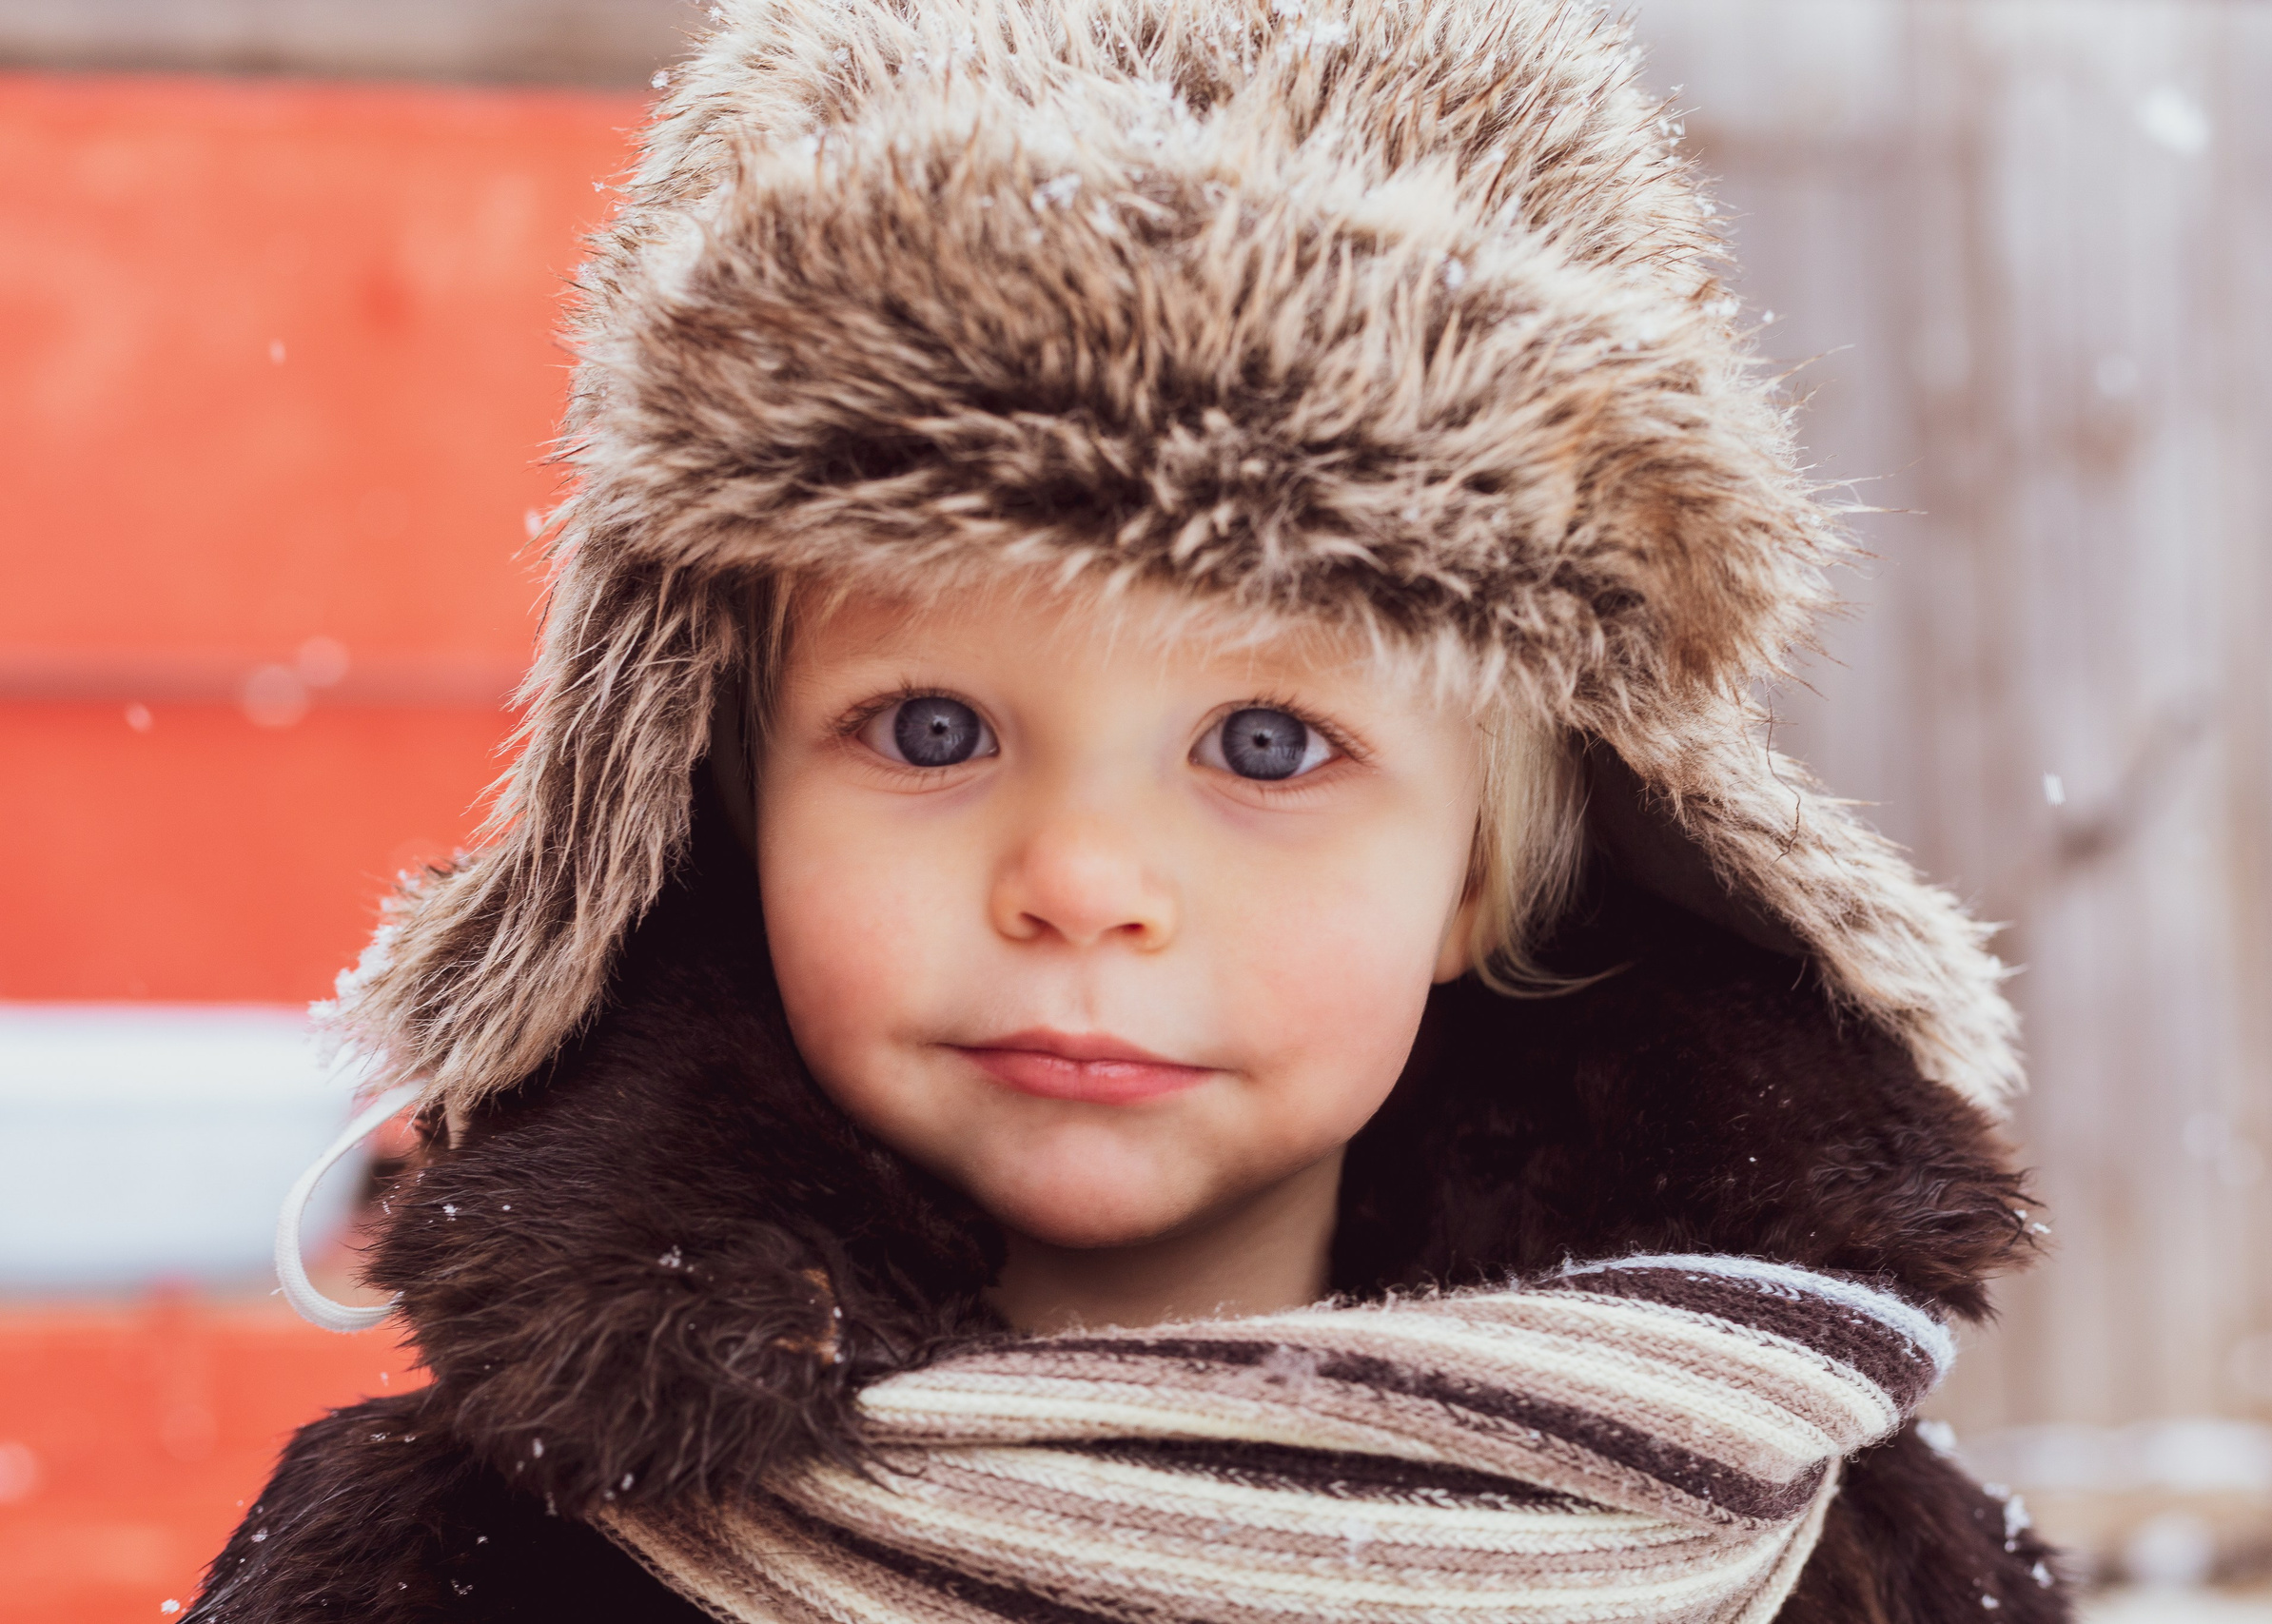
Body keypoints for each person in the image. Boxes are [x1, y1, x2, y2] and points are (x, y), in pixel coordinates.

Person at [195, 0, 2070, 1618]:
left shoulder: (1845, 1564)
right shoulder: (452, 1563)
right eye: (929, 727)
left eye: (1263, 745)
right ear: (719, 798)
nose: (1080, 879)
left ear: (1483, 869)